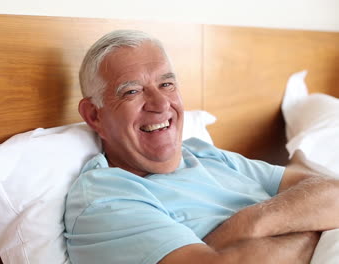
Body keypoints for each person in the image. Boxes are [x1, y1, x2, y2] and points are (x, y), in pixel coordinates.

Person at [63, 30, 339, 264]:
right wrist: (312, 226)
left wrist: (253, 224)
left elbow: (333, 192)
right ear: (94, 115)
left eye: (167, 84)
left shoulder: (203, 154)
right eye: (132, 91)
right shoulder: (105, 198)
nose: (160, 104)